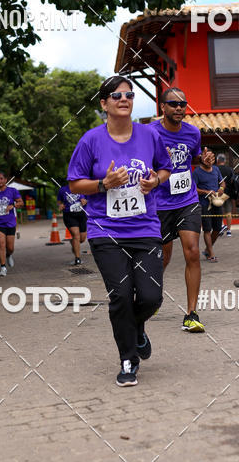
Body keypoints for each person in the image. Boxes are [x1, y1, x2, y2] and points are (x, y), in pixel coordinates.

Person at [68, 76, 172, 387]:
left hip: (145, 227)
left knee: (152, 296)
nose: (123, 99)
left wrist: (155, 182)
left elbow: (166, 168)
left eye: (128, 94)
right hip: (106, 230)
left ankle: (137, 328)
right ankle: (128, 357)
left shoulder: (149, 135)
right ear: (104, 103)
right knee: (121, 296)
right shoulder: (90, 140)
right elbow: (74, 183)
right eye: (116, 95)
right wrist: (103, 184)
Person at [150, 87, 205, 333]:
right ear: (163, 106)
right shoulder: (150, 133)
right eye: (173, 104)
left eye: (183, 104)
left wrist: (203, 161)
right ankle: (154, 297)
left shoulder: (194, 133)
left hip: (187, 200)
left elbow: (194, 158)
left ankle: (191, 313)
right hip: (159, 204)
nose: (179, 108)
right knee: (162, 258)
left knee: (193, 251)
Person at [0, 172, 23, 276]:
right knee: (1, 244)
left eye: (1, 179)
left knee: (10, 247)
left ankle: (8, 255)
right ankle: (3, 267)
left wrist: (13, 205)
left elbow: (21, 202)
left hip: (10, 222)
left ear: (5, 180)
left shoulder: (12, 191)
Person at [193, 149, 225, 262]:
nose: (209, 161)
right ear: (201, 159)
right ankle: (211, 254)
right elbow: (194, 189)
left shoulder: (216, 169)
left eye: (211, 158)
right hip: (204, 204)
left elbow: (222, 182)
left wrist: (221, 189)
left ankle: (207, 249)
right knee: (207, 229)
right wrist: (206, 192)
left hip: (217, 201)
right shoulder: (196, 172)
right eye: (207, 158)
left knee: (217, 228)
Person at [57, 183, 88, 265]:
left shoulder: (83, 187)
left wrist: (85, 201)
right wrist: (60, 205)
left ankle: (73, 241)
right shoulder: (63, 189)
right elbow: (59, 202)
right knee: (76, 235)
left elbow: (90, 199)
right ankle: (77, 258)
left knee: (82, 239)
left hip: (81, 215)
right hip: (69, 215)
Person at [216, 153, 239, 235]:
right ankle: (229, 230)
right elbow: (233, 181)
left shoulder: (215, 169)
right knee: (228, 212)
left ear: (217, 160)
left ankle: (220, 227)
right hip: (228, 193)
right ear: (224, 161)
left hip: (218, 192)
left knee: (218, 211)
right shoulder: (229, 169)